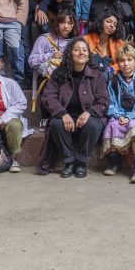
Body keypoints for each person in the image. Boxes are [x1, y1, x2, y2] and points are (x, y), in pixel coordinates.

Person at [37, 38, 108, 178]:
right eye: (76, 49)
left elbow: (104, 100)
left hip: (87, 117)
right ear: (70, 53)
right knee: (56, 123)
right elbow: (48, 97)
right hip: (66, 116)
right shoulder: (58, 73)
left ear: (88, 54)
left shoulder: (96, 74)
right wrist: (62, 113)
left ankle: (81, 162)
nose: (81, 53)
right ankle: (68, 161)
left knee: (94, 124)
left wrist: (90, 112)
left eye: (84, 50)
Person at [102, 44, 135, 183]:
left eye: (129, 60)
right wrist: (118, 116)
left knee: (133, 124)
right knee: (112, 124)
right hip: (120, 116)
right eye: (122, 61)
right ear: (118, 63)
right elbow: (111, 103)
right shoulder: (113, 81)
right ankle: (114, 162)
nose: (126, 64)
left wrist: (128, 117)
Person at [28, 9, 77, 116]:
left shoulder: (75, 42)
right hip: (47, 77)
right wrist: (50, 55)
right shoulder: (44, 39)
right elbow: (31, 62)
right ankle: (46, 117)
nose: (66, 26)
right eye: (62, 22)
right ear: (57, 23)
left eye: (70, 23)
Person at [83, 11, 126, 79]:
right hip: (89, 77)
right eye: (108, 21)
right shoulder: (86, 39)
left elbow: (124, 62)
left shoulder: (119, 43)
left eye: (115, 25)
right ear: (101, 22)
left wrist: (110, 69)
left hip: (110, 78)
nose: (112, 25)